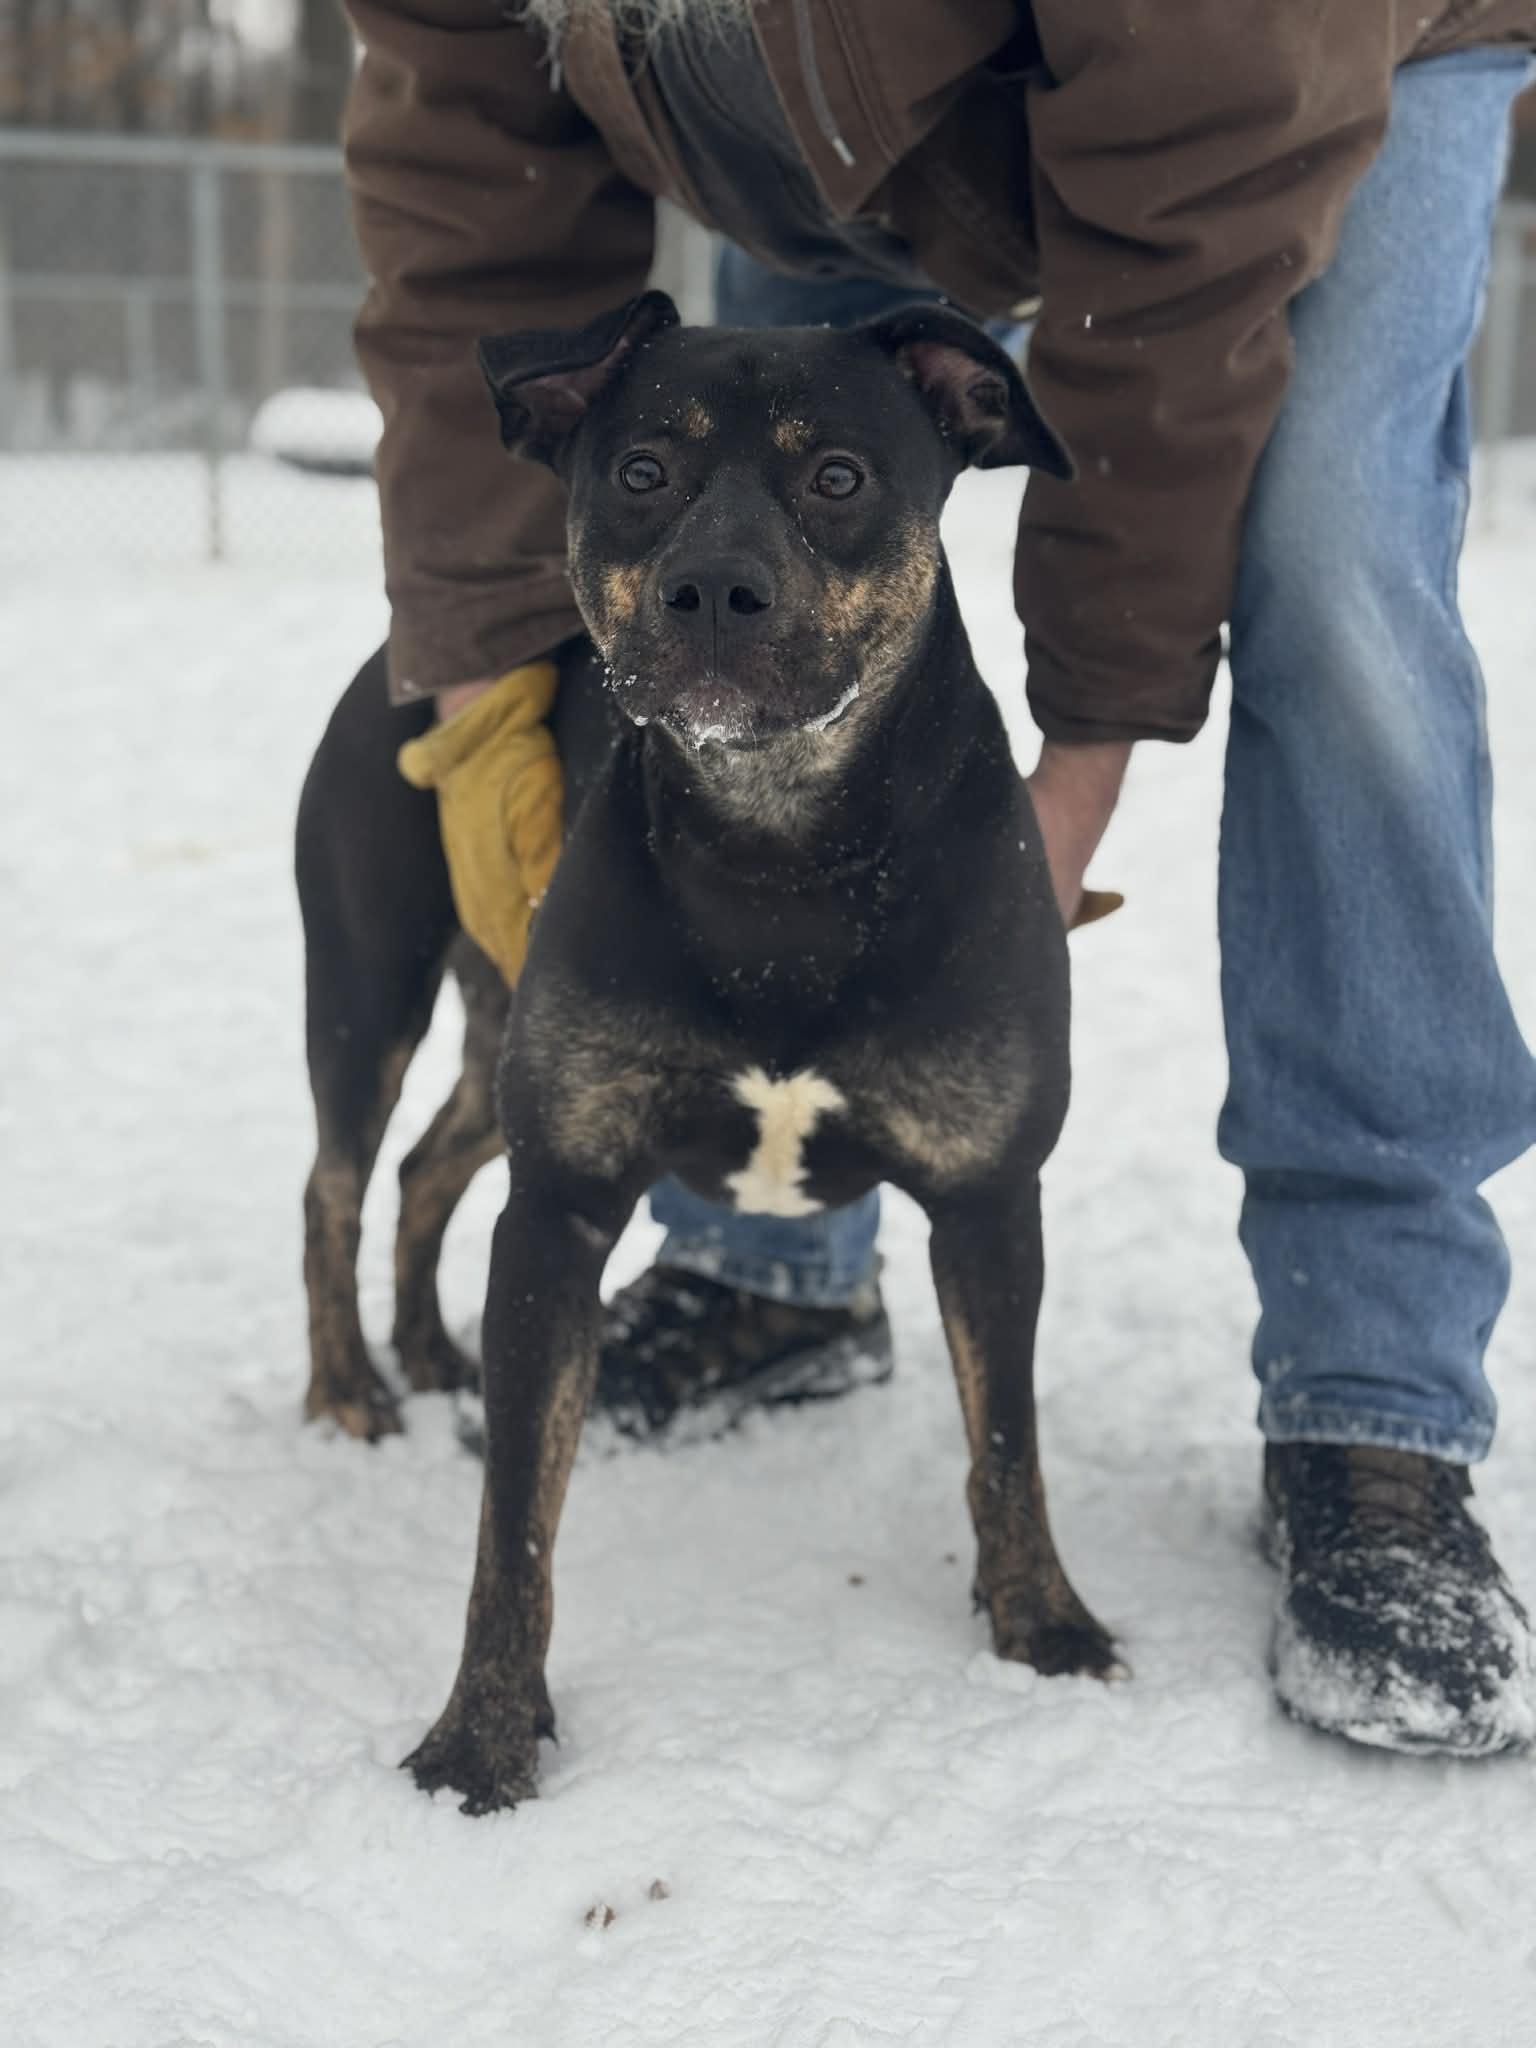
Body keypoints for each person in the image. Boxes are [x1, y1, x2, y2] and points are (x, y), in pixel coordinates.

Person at [340, 0, 1536, 1756]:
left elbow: (1187, 235)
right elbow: (463, 159)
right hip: (824, 105)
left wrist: (1072, 773)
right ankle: (779, 1271)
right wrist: (473, 676)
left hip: (1302, 49)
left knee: (1332, 560)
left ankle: (1376, 1405)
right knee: (782, 418)